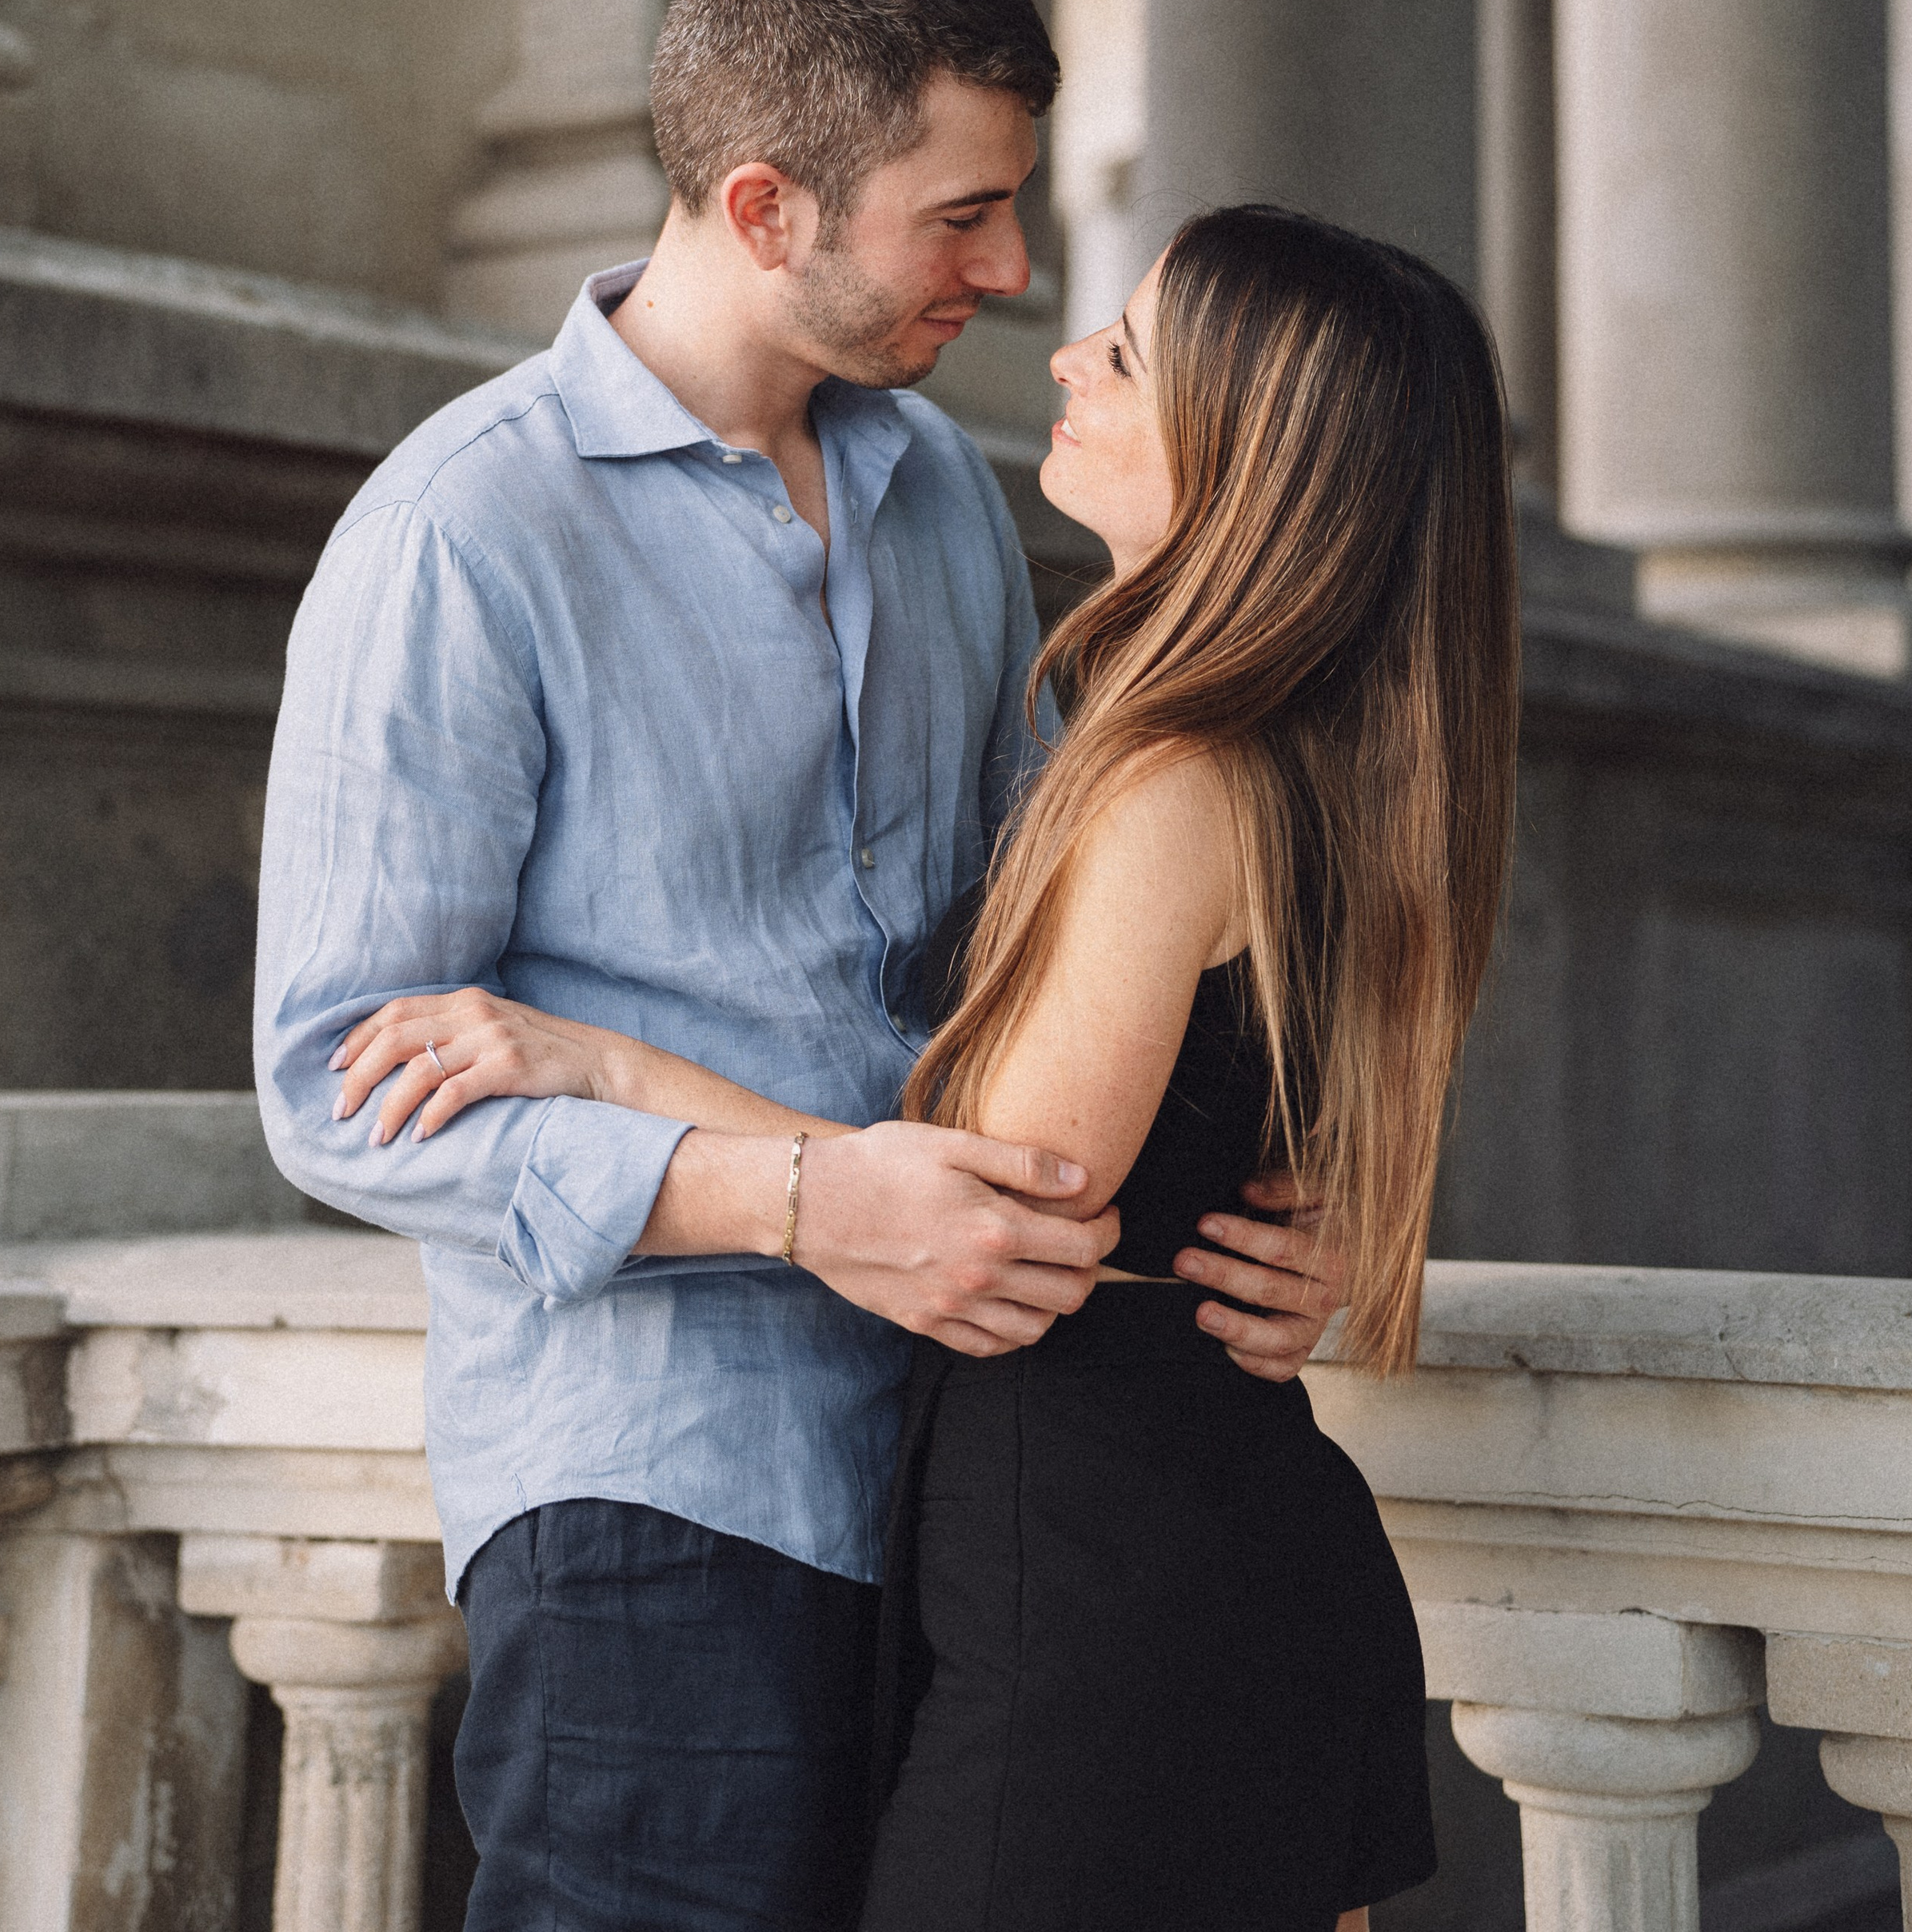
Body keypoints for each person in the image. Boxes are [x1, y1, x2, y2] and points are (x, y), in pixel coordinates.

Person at [257, 0, 1347, 1932]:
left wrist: (1308, 1197)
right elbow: (336, 1087)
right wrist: (796, 1205)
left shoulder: (941, 492)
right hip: (658, 1494)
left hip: (960, 1484)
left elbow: (1048, 951)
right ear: (765, 208)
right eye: (960, 218)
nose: (1014, 271)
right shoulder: (460, 537)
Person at [334, 202, 1518, 1931]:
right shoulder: (1296, 769)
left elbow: (985, 1219)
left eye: (1127, 350)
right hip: (1184, 1550)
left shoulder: (1174, 778)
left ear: (1244, 450)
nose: (1060, 350)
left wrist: (598, 1059)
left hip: (1113, 1596)